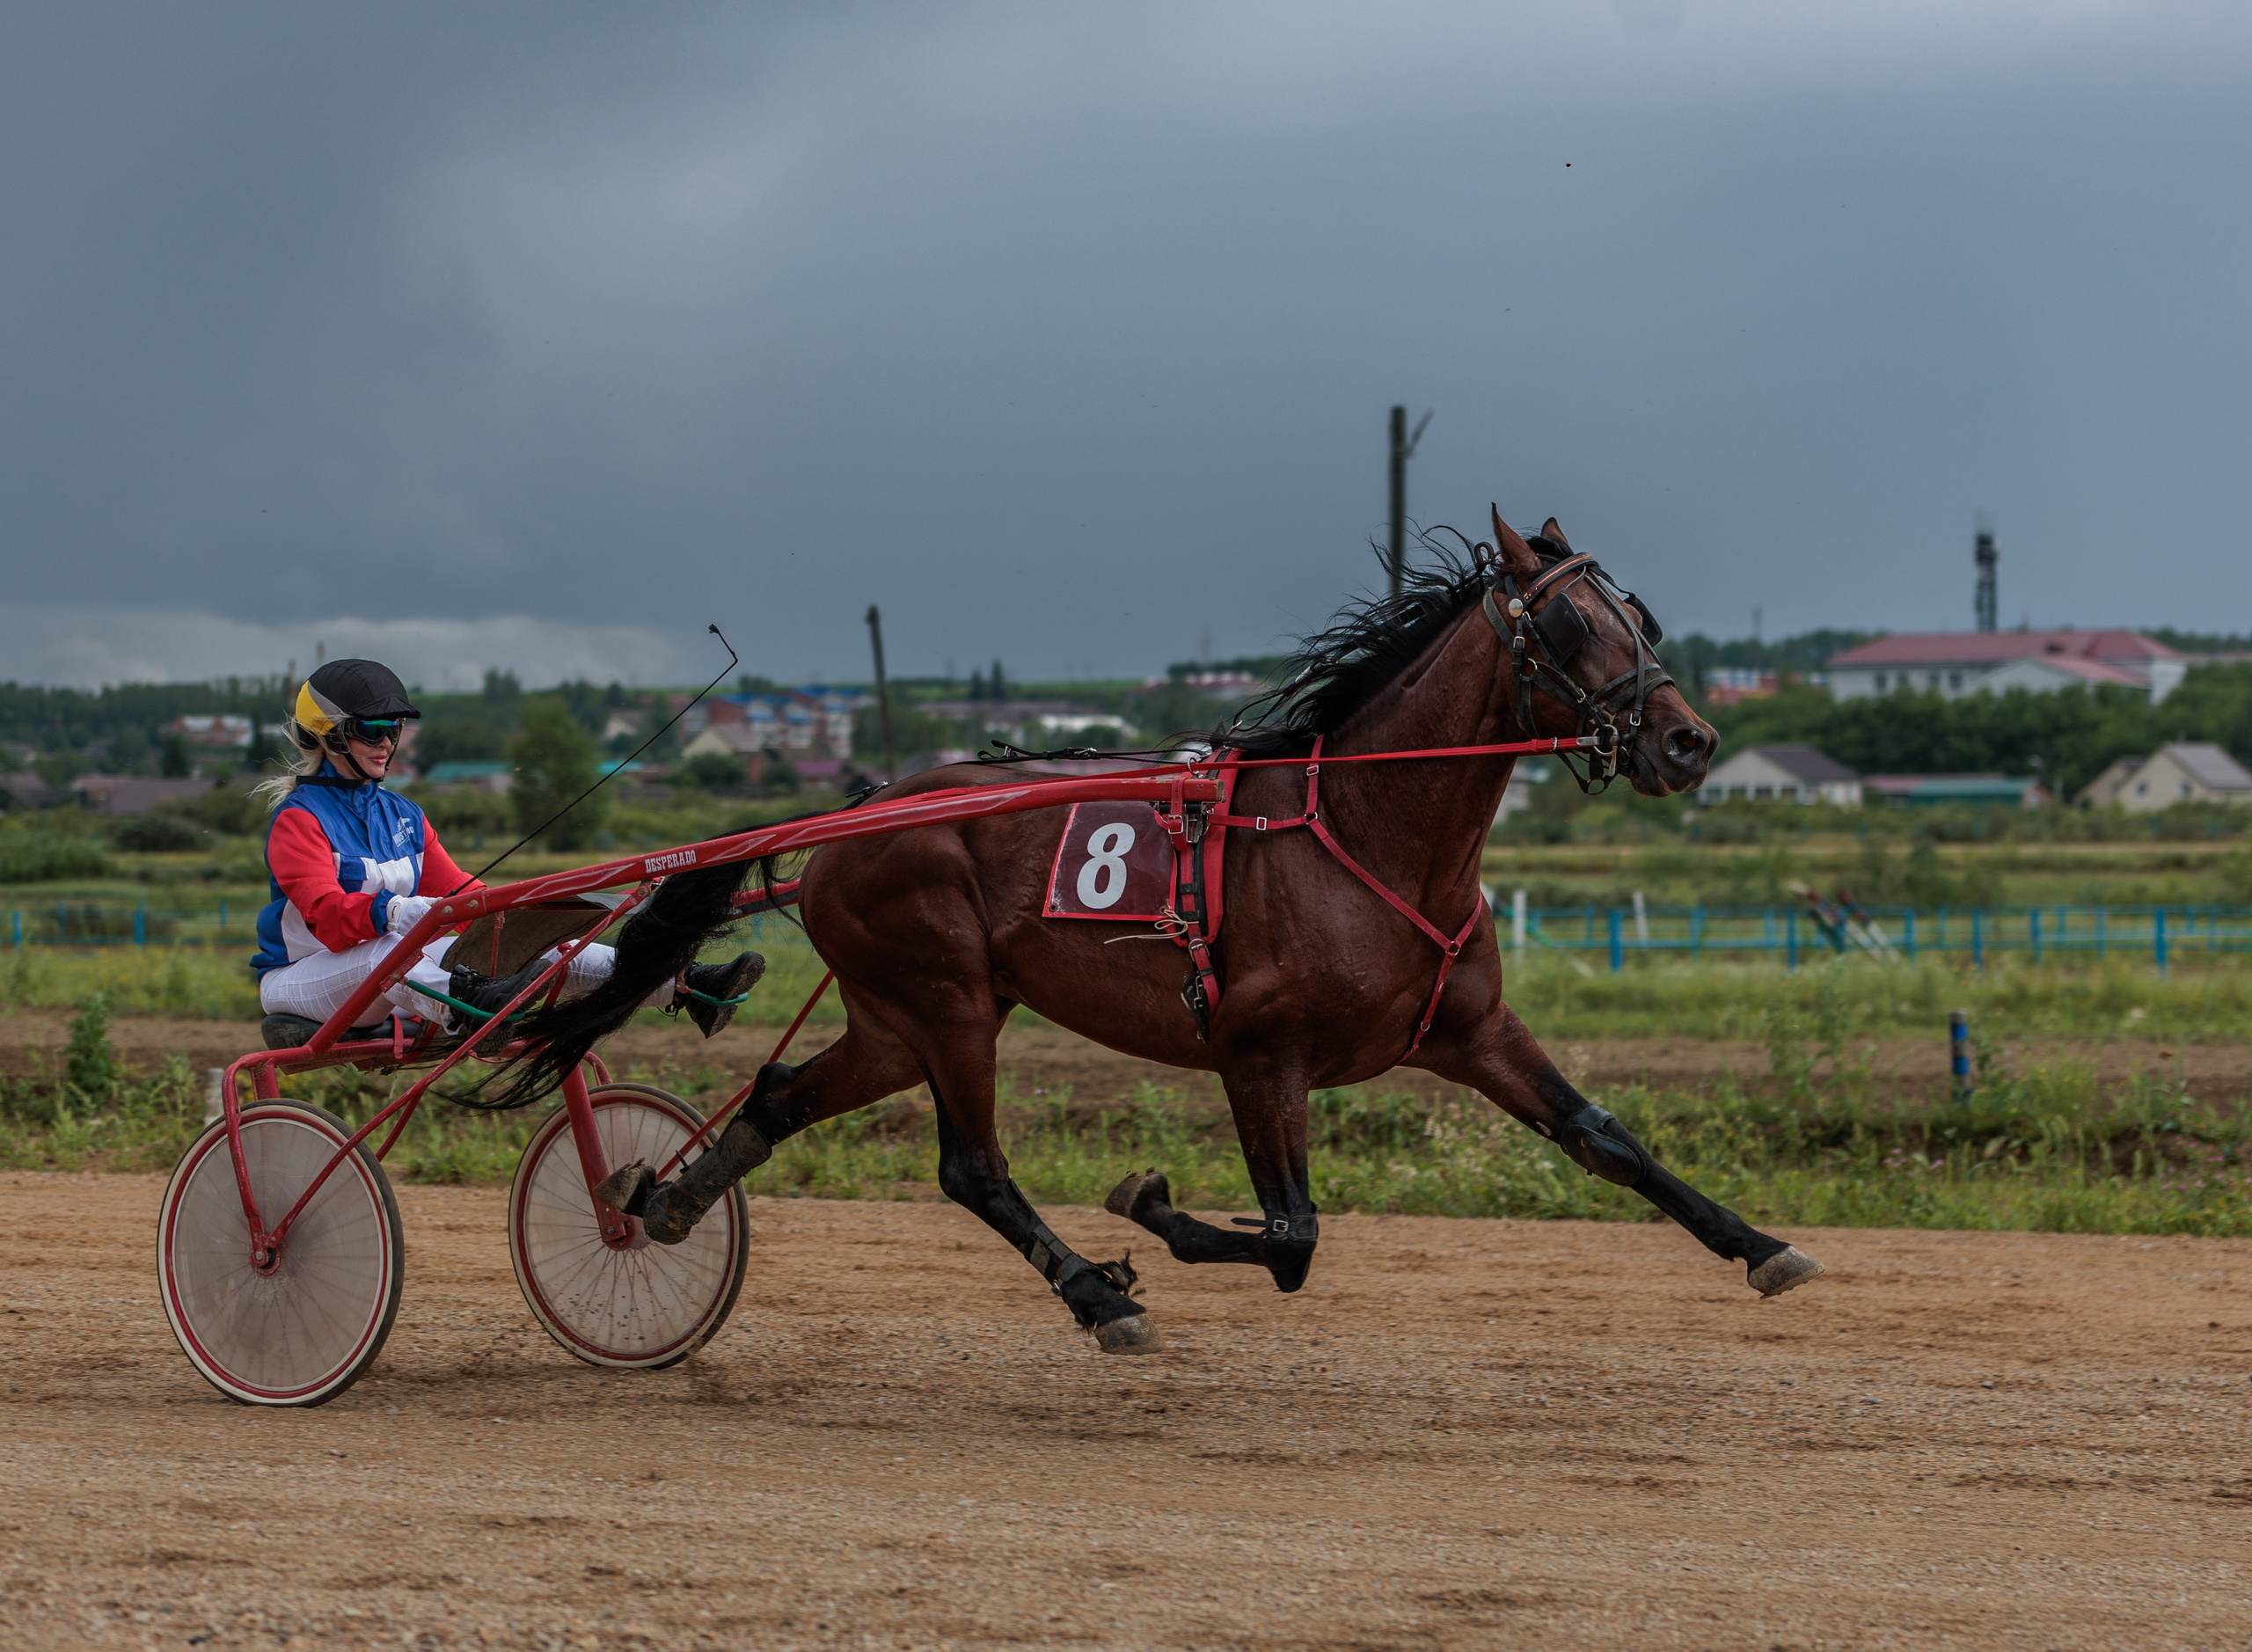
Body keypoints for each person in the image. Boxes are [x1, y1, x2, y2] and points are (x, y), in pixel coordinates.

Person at [251, 658, 762, 1036]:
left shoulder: (404, 815)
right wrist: (407, 912)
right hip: (307, 980)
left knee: (520, 940)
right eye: (373, 728)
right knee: (389, 951)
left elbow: (468, 895)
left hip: (388, 977)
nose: (388, 741)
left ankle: (684, 983)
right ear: (331, 735)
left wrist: (524, 917)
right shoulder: (298, 820)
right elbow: (329, 919)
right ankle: (472, 1011)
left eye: (396, 727)